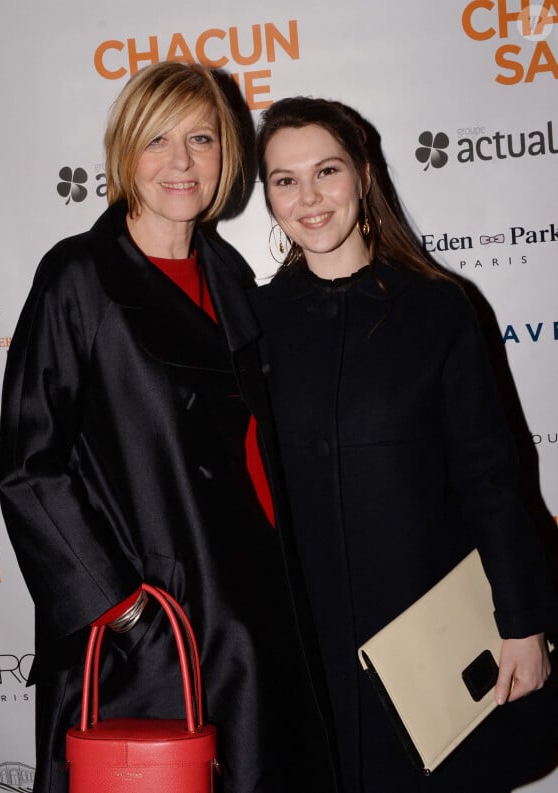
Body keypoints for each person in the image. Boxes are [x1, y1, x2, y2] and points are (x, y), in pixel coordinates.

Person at [0, 66, 335, 793]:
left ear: (227, 155)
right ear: (125, 153)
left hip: (258, 626)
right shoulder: (78, 278)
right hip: (149, 642)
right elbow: (31, 466)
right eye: (158, 140)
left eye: (202, 138)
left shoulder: (234, 278)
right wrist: (123, 610)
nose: (181, 161)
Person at [243, 96, 558, 792]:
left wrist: (523, 622)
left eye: (326, 171)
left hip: (430, 634)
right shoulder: (253, 322)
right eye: (284, 180)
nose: (308, 197)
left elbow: (491, 476)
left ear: (363, 174)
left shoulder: (439, 308)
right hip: (305, 646)